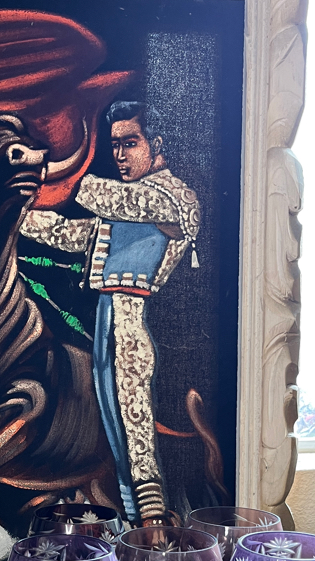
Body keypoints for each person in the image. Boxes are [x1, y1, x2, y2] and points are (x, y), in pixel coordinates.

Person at [20, 101, 200, 524]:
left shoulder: (176, 197)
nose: (119, 155)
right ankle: (132, 515)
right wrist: (14, 212)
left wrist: (64, 178)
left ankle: (151, 520)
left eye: (130, 143)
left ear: (157, 144)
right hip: (107, 316)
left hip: (135, 320)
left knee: (133, 417)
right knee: (113, 419)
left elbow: (114, 200)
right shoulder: (126, 204)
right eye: (115, 145)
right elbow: (69, 234)